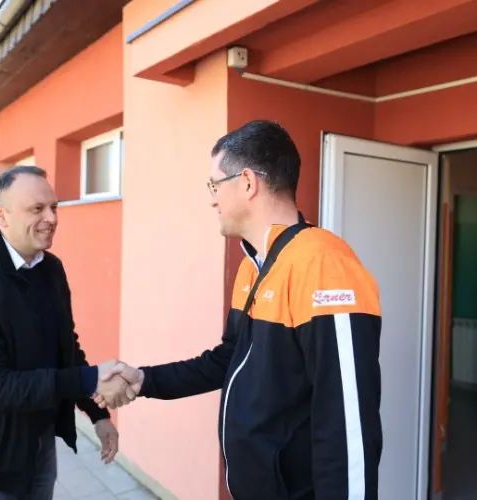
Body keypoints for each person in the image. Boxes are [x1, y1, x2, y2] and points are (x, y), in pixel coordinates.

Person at [97, 120, 383, 499]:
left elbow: (348, 425)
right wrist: (146, 380)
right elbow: (226, 359)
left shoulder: (323, 265)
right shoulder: (254, 266)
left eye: (214, 185)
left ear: (247, 182)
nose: (212, 199)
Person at [0, 165, 135, 500]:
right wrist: (89, 380)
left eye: (53, 207)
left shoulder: (51, 269)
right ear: (1, 215)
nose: (51, 218)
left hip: (39, 445)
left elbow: (67, 348)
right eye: (37, 208)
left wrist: (97, 413)